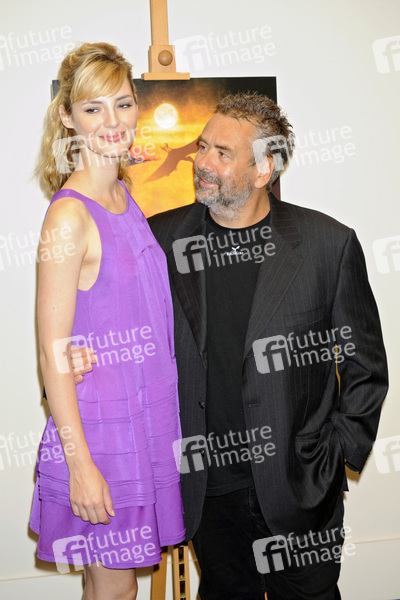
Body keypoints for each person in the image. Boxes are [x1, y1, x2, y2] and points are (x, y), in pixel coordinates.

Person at [75, 92, 388, 599]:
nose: (202, 162)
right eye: (202, 147)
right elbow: (112, 323)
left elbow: (366, 367)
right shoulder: (159, 240)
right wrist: (78, 360)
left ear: (264, 169)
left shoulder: (327, 245)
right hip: (209, 495)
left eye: (222, 153)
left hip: (301, 489)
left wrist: (335, 456)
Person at [29, 42, 185, 600]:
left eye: (122, 103)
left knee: (116, 590)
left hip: (144, 423)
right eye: (93, 108)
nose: (113, 121)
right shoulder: (69, 216)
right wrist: (80, 467)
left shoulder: (123, 194)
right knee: (117, 591)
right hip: (102, 434)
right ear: (68, 117)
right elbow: (51, 352)